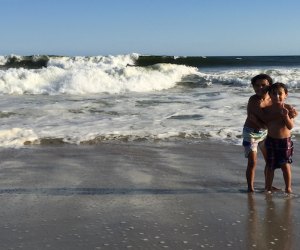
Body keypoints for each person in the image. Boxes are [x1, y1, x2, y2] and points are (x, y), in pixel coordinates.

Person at [242, 74, 273, 192]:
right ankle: (250, 188)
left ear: (269, 85)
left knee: (269, 161)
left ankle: (267, 186)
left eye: (263, 85)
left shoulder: (272, 98)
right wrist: (269, 125)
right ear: (253, 87)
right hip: (251, 133)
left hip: (264, 134)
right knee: (252, 162)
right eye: (257, 85)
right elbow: (255, 118)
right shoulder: (253, 100)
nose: (260, 88)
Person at [264, 82, 295, 193]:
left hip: (284, 142)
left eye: (280, 93)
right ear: (270, 95)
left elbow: (290, 126)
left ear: (286, 94)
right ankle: (268, 187)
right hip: (270, 140)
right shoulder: (267, 109)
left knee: (284, 165)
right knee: (270, 165)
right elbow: (264, 122)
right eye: (274, 93)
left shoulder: (288, 108)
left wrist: (286, 116)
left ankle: (288, 188)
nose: (277, 96)